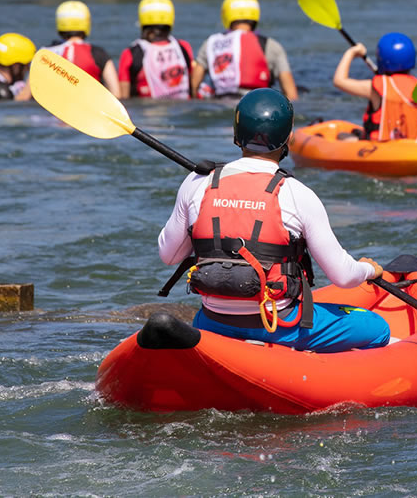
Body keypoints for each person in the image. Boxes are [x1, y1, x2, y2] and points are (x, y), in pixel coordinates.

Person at [155, 89, 392, 353]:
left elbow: (169, 255)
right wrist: (371, 270)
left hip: (211, 322)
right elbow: (344, 276)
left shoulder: (197, 183)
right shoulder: (297, 194)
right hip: (279, 325)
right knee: (378, 328)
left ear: (236, 133)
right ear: (288, 137)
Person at [192, 0, 300, 100]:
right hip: (256, 104)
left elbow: (194, 85)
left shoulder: (211, 43)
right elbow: (291, 94)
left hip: (220, 103)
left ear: (226, 14)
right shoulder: (271, 46)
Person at [331, 32, 417, 142]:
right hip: (412, 147)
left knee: (341, 136)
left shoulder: (377, 87)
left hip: (378, 148)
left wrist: (351, 52)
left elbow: (339, 81)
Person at [116, 0, 199, 100]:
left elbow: (123, 97)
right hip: (182, 108)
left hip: (145, 113)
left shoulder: (130, 54)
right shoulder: (183, 47)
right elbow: (194, 86)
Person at [42, 0, 119, 96]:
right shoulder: (99, 54)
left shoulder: (45, 54)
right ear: (87, 23)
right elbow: (116, 93)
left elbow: (24, 96)